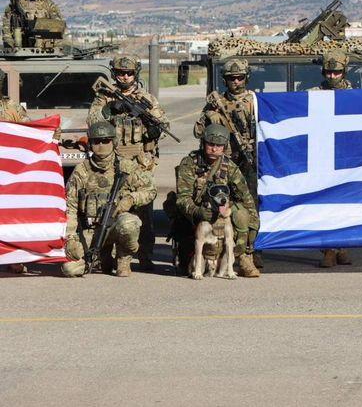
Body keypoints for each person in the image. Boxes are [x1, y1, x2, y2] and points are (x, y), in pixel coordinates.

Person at [88, 54, 168, 270]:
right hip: (112, 163)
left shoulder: (146, 99)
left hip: (140, 163)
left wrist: (155, 131)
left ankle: (145, 256)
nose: (125, 77)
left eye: (129, 73)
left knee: (144, 211)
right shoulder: (104, 97)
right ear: (114, 74)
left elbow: (163, 123)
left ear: (136, 74)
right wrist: (109, 109)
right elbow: (92, 121)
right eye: (121, 73)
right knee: (108, 207)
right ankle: (105, 255)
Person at [62, 121, 156, 277]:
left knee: (129, 224)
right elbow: (70, 206)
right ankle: (103, 256)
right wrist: (71, 238)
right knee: (70, 269)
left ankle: (123, 259)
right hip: (91, 231)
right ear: (90, 144)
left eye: (106, 141)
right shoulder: (81, 170)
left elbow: (150, 190)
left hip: (116, 227)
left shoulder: (126, 166)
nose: (101, 145)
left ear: (114, 142)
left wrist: (131, 199)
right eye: (96, 141)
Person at [193, 57, 262, 267]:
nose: (236, 82)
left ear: (246, 78)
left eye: (240, 78)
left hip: (248, 162)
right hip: (222, 163)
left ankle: (250, 251)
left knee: (249, 207)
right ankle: (216, 251)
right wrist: (212, 118)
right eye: (232, 78)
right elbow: (198, 132)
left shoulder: (255, 102)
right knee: (218, 204)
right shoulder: (216, 103)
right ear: (225, 80)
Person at [175, 124, 261, 278]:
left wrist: (253, 226)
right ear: (203, 143)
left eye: (219, 145)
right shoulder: (189, 164)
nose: (214, 149)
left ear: (225, 147)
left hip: (222, 214)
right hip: (195, 217)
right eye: (210, 144)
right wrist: (197, 211)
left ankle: (243, 257)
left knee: (242, 215)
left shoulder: (230, 167)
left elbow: (246, 198)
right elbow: (182, 198)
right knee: (185, 266)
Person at [309, 49, 353, 268]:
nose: (332, 76)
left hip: (347, 157)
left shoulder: (355, 96)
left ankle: (342, 247)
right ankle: (328, 249)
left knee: (345, 205)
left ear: (344, 71)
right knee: (324, 205)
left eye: (337, 72)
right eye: (328, 72)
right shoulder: (313, 94)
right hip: (323, 157)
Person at [1, 69, 29, 273]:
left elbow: (30, 131)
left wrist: (49, 132)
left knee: (10, 214)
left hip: (9, 170)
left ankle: (13, 256)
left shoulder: (12, 107)